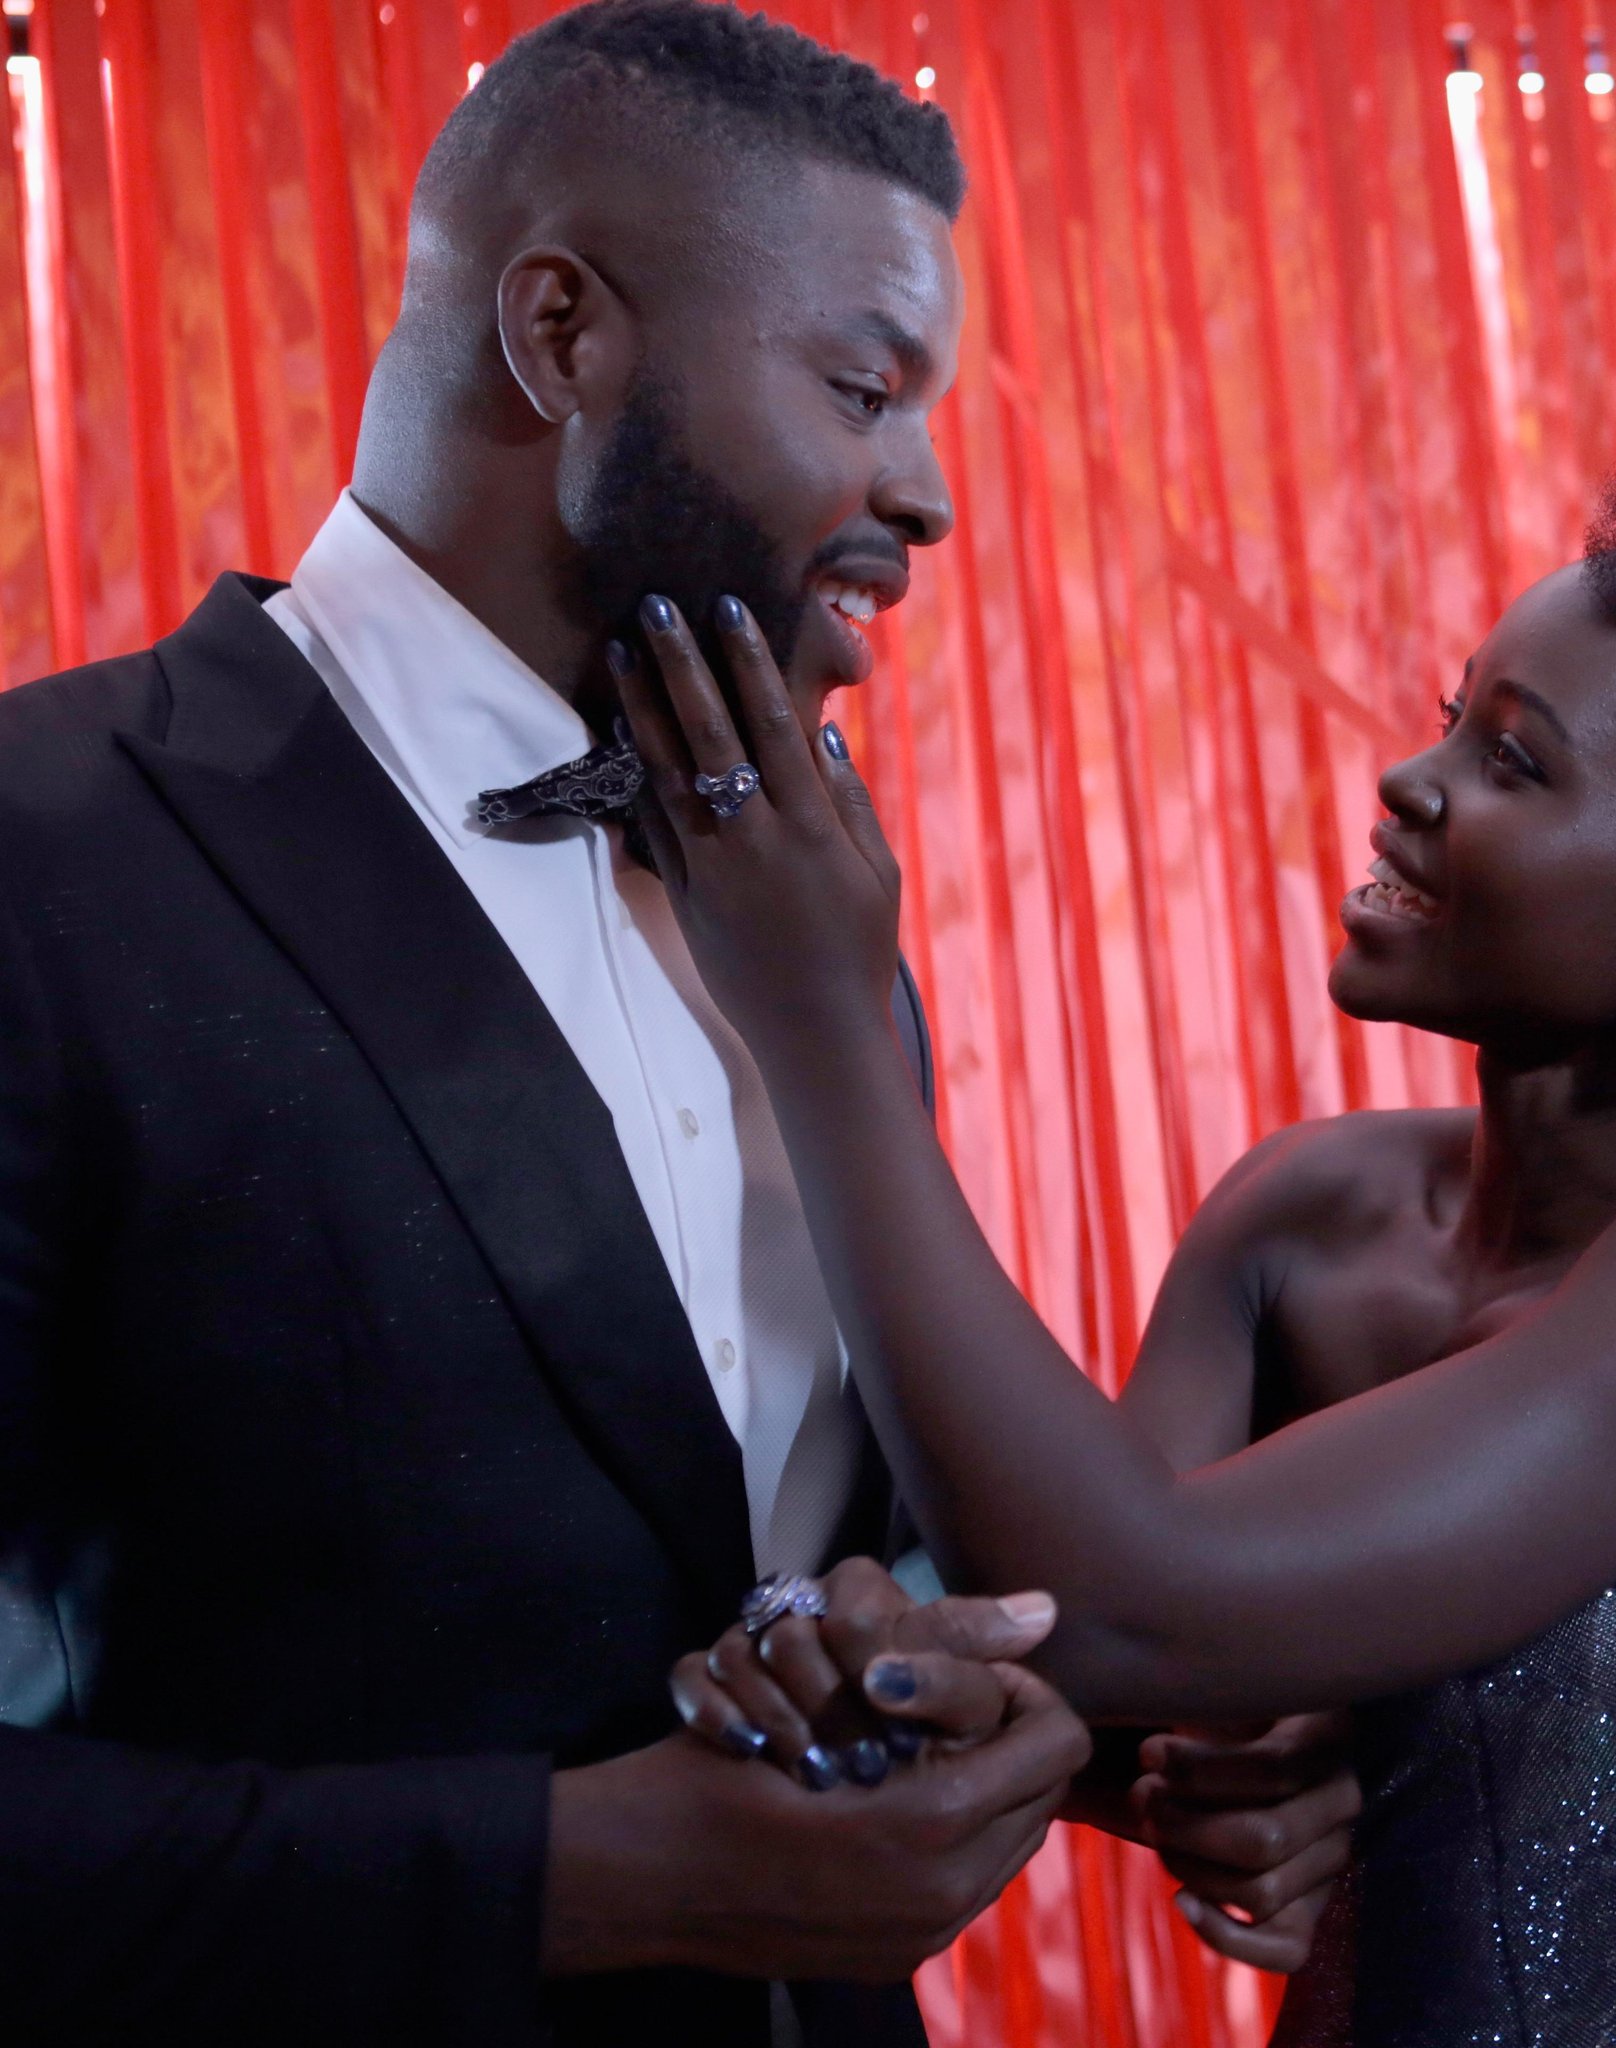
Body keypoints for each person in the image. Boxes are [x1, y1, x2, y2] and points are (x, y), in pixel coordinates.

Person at [0, 6, 1354, 2044]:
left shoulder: (800, 916)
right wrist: (582, 1878)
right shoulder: (43, 854)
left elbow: (800, 1544)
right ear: (562, 335)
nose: (927, 492)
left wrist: (1086, 1743)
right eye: (864, 389)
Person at [609, 430, 1616, 2044]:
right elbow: (1070, 1649)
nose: (1409, 782)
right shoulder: (1306, 1214)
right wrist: (1166, 1765)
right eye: (1452, 717)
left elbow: (1123, 1600)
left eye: (1516, 762)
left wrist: (823, 1021)